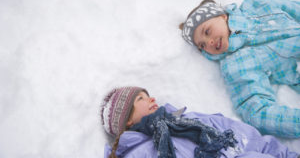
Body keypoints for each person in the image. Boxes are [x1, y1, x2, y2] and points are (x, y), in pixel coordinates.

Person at [180, 0, 300, 138]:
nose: (209, 42)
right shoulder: (236, 66)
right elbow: (257, 113)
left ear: (222, 16)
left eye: (207, 31)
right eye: (202, 45)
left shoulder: (259, 2)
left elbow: (294, 8)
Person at [101, 86, 299, 158]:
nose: (152, 99)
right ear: (127, 120)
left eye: (148, 95)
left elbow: (245, 137)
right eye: (141, 99)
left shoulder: (190, 120)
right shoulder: (137, 153)